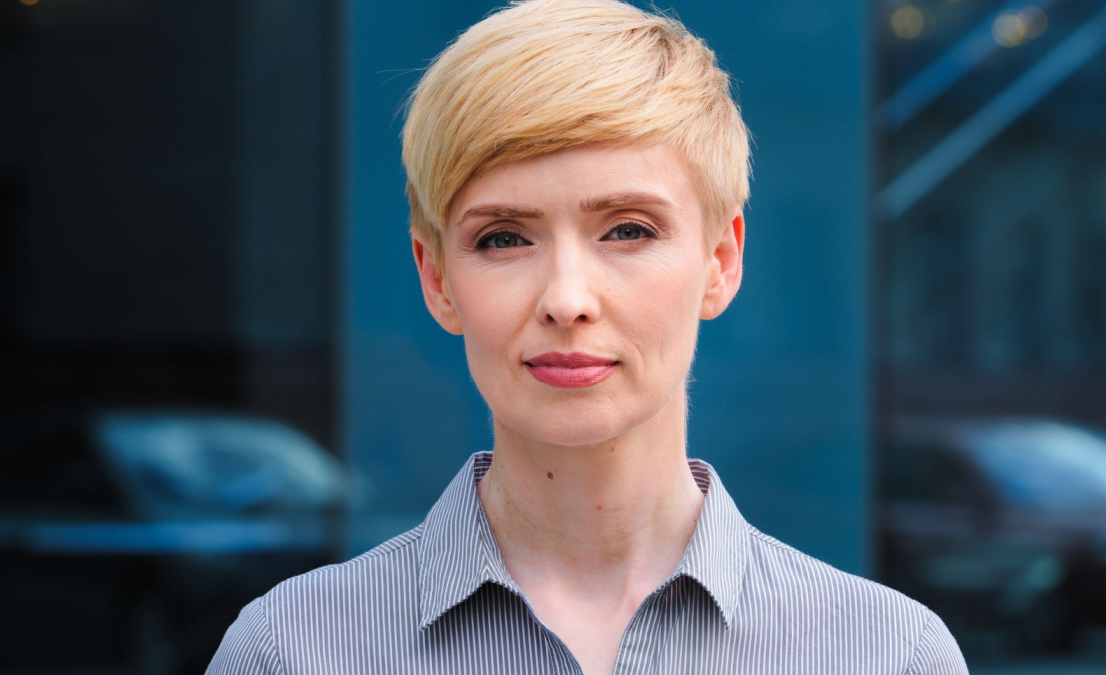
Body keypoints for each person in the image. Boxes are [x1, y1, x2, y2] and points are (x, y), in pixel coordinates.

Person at [207, 0, 969, 672]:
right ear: (437, 278)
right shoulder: (292, 651)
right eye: (504, 238)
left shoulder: (886, 654)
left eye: (628, 230)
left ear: (721, 261)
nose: (567, 299)